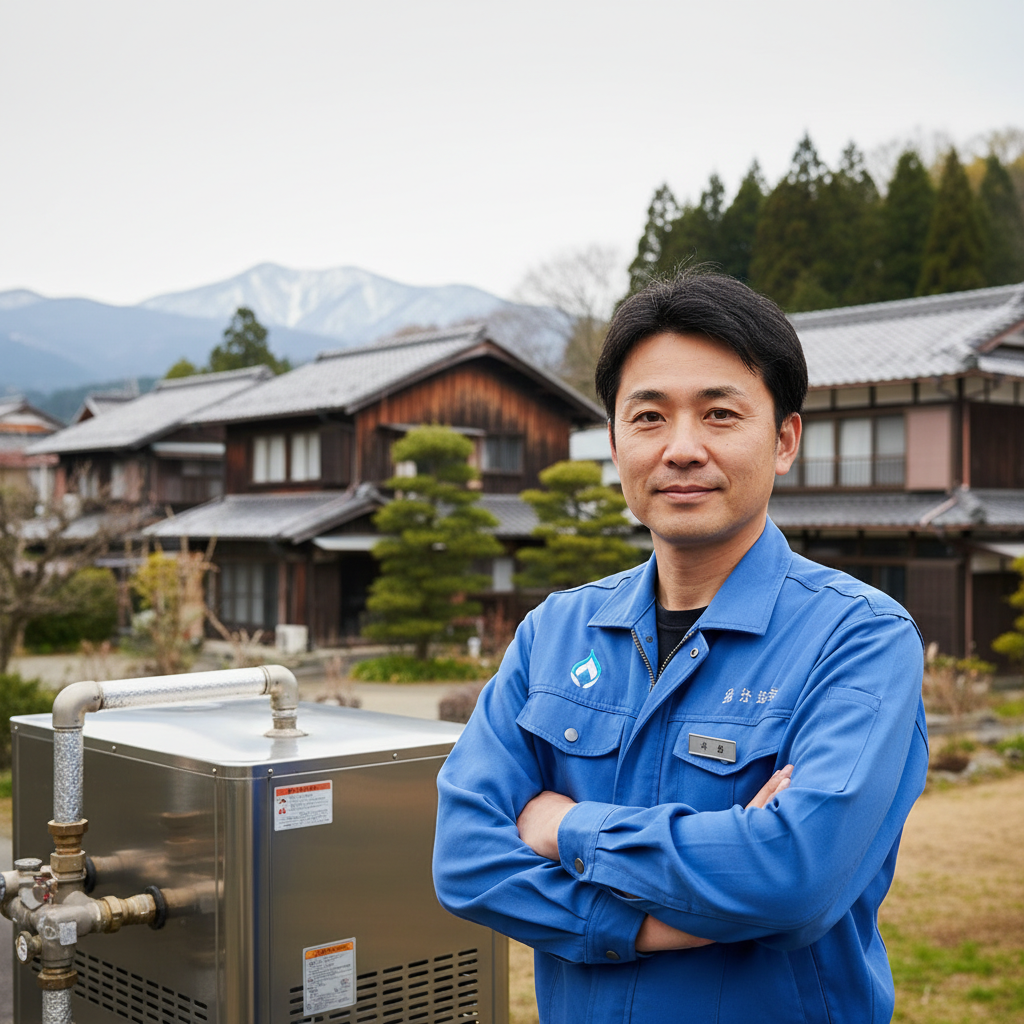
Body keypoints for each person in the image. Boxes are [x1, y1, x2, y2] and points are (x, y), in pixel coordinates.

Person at [432, 270, 928, 1024]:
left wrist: (565, 825)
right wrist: (653, 926)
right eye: (650, 417)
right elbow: (466, 858)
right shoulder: (555, 632)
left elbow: (795, 877)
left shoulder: (860, 638)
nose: (683, 449)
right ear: (615, 442)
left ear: (785, 439)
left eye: (721, 414)